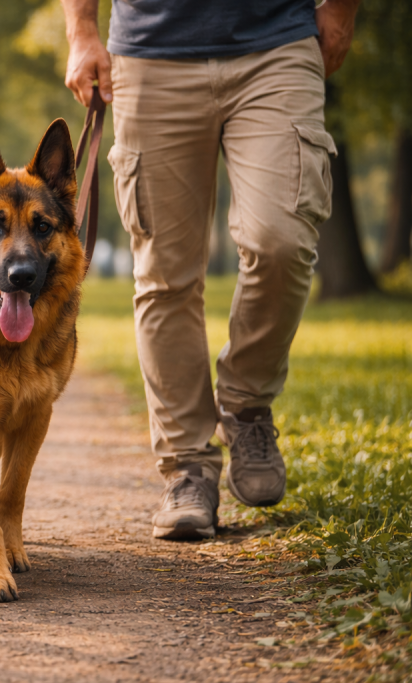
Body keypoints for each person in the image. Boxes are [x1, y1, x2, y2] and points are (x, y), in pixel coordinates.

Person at [60, 0, 359, 539]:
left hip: (278, 44)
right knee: (164, 274)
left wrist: (340, 10)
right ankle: (187, 468)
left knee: (282, 241)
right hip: (150, 55)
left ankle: (246, 404)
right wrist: (82, 30)